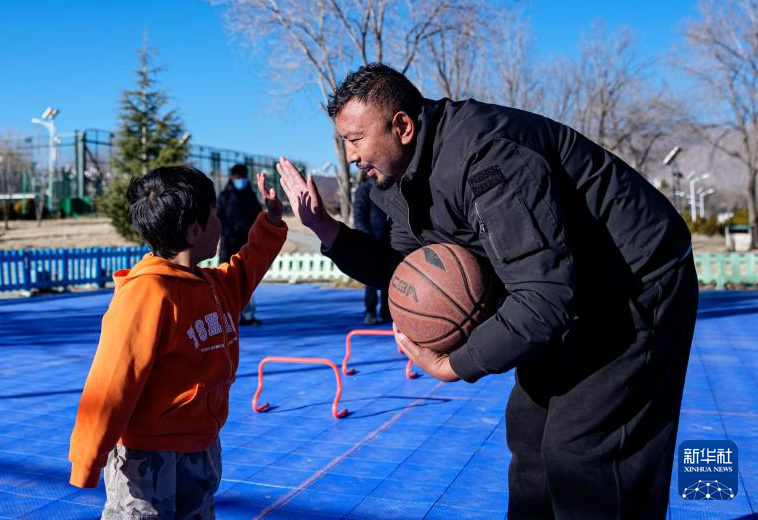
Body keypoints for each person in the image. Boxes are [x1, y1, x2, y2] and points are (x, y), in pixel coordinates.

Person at [276, 64, 697, 519]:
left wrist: (453, 365)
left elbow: (545, 295)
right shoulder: (400, 180)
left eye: (356, 139)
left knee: (583, 449)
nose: (351, 155)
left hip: (632, 283)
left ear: (402, 126)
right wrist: (326, 229)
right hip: (562, 288)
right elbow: (409, 275)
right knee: (530, 438)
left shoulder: (487, 157)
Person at [68, 165, 286, 519]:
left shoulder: (213, 285)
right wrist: (87, 461)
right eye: (214, 215)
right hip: (147, 456)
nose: (220, 223)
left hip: (200, 445)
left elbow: (248, 268)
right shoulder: (148, 294)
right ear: (195, 229)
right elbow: (110, 383)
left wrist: (271, 223)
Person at [217, 163, 264, 325]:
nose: (241, 180)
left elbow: (258, 217)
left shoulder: (251, 196)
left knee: (247, 280)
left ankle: (248, 316)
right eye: (238, 177)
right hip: (228, 244)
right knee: (225, 279)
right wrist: (229, 230)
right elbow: (217, 218)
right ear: (232, 178)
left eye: (243, 177)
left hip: (246, 244)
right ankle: (224, 317)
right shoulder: (224, 196)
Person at [352, 170, 391, 324]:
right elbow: (359, 217)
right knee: (371, 281)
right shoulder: (364, 190)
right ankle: (370, 311)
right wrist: (367, 238)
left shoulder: (391, 187)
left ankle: (388, 312)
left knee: (392, 279)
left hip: (390, 242)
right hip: (371, 242)